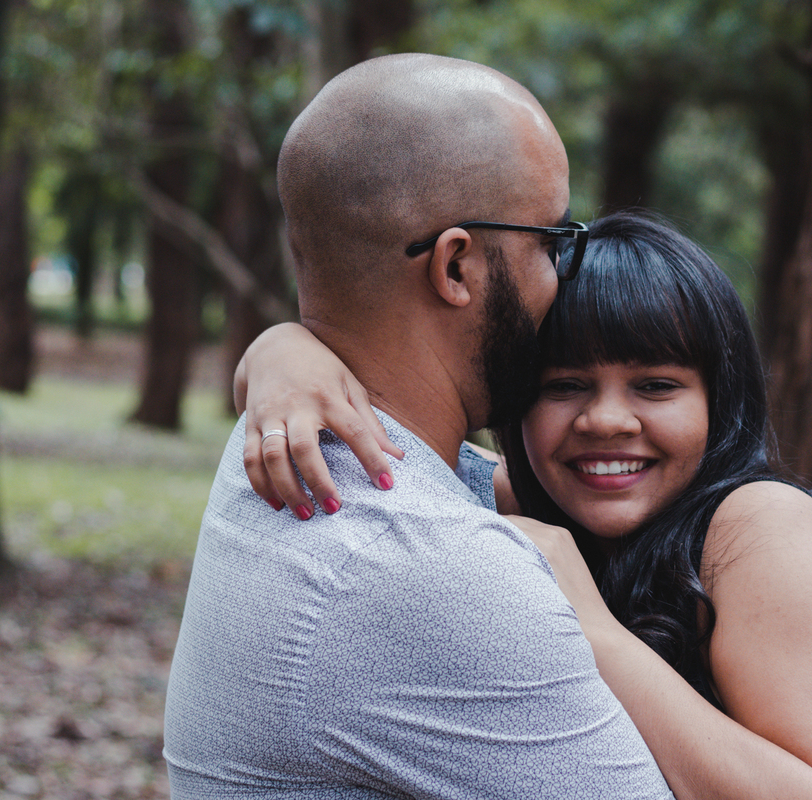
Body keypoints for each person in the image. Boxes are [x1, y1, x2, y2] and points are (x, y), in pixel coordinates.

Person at [238, 212, 812, 800]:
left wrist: (591, 630)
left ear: (721, 397)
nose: (606, 421)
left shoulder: (762, 528)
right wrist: (278, 352)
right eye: (565, 385)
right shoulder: (538, 500)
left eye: (655, 385)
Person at [162, 56, 673, 798]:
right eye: (554, 241)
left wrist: (277, 346)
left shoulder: (284, 444)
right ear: (456, 268)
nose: (565, 277)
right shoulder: (433, 567)